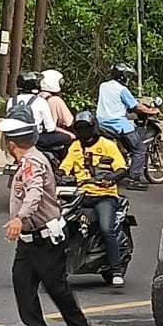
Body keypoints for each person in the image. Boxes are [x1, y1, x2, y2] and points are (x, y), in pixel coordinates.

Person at [0, 105, 91, 326]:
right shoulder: (26, 161)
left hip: (45, 239)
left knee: (56, 287)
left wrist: (19, 218)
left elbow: (34, 193)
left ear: (11, 144)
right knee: (23, 284)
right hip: (28, 239)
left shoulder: (32, 162)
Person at [59, 111, 129, 287]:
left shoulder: (108, 145)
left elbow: (122, 168)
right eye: (80, 128)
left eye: (87, 128)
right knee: (59, 222)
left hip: (105, 196)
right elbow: (65, 167)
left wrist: (111, 178)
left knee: (106, 229)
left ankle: (116, 270)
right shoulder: (75, 147)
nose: (84, 131)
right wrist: (58, 174)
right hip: (80, 195)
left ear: (94, 127)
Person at [96, 62, 158, 191]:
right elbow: (136, 106)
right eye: (127, 76)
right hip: (118, 125)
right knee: (140, 149)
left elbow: (115, 103)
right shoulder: (122, 90)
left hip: (101, 123)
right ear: (122, 76)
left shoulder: (103, 86)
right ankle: (134, 179)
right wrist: (152, 111)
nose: (128, 79)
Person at [11, 71, 73, 152]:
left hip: (20, 136)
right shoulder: (54, 100)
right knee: (68, 138)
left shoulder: (32, 98)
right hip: (41, 136)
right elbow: (68, 122)